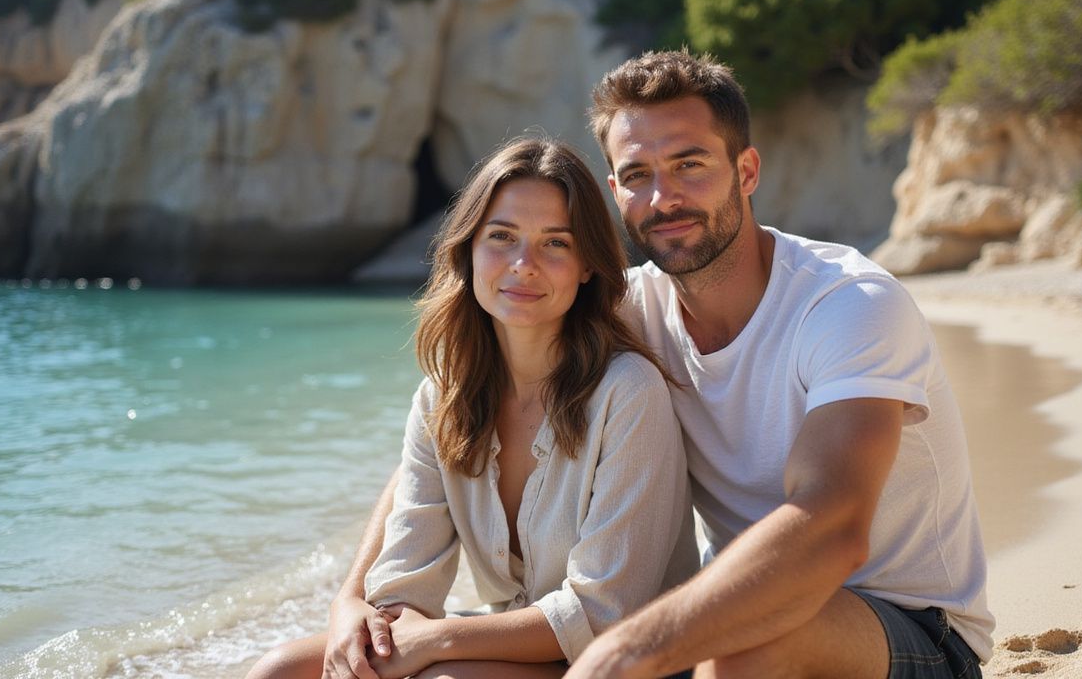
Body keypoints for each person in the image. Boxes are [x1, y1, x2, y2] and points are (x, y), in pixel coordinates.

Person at [322, 50, 994, 679]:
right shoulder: (633, 310)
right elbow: (456, 417)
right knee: (296, 668)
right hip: (733, 610)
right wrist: (352, 600)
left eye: (690, 165)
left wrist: (625, 646)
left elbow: (831, 526)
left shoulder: (846, 307)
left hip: (910, 630)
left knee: (745, 645)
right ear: (614, 190)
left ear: (747, 171)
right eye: (639, 175)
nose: (663, 198)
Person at [247, 138, 697, 679]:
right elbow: (404, 582)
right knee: (278, 671)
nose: (524, 265)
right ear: (469, 250)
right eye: (502, 237)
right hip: (515, 648)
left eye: (555, 243)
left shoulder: (629, 393)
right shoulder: (444, 398)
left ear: (585, 266)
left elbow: (602, 614)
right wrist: (371, 626)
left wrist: (435, 642)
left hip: (627, 664)